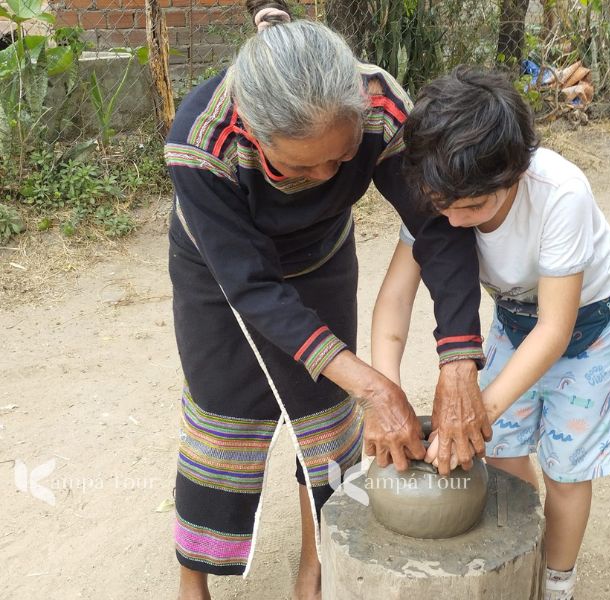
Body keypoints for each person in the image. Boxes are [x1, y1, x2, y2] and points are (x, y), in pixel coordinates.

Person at [165, 4, 491, 598]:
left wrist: (458, 357)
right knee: (223, 419)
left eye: (341, 160)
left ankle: (315, 565)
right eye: (300, 165)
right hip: (222, 278)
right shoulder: (201, 142)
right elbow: (254, 287)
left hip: (320, 258)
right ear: (254, 134)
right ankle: (195, 577)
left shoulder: (380, 109)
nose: (324, 175)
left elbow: (437, 225)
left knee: (325, 416)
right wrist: (373, 384)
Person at [371, 66, 610, 600]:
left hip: (590, 327)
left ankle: (557, 581)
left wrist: (476, 411)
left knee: (565, 466)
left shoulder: (559, 193)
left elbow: (555, 329)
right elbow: (395, 300)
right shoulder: (440, 194)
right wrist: (384, 389)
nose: (455, 220)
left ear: (514, 173)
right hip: (516, 319)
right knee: (504, 451)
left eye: (473, 207)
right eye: (443, 205)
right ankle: (527, 549)